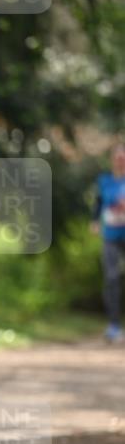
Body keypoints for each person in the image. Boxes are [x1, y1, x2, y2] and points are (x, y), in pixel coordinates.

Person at [91, 141, 125, 343]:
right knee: (111, 278)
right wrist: (94, 221)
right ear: (112, 160)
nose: (121, 161)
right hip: (110, 236)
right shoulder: (105, 180)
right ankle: (114, 325)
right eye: (118, 158)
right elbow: (97, 202)